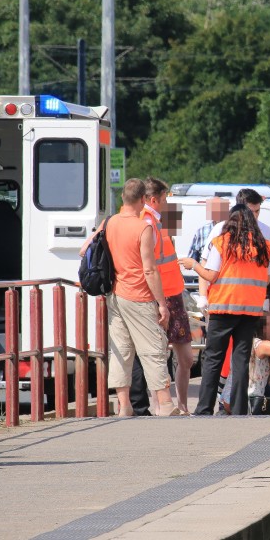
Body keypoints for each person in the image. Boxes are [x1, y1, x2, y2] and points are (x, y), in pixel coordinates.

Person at [82, 178, 178, 417]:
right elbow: (149, 269)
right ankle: (165, 404)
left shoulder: (110, 222)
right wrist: (162, 304)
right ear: (143, 199)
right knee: (154, 348)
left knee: (121, 350)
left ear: (123, 198)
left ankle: (124, 406)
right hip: (139, 295)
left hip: (114, 295)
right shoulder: (142, 227)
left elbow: (85, 249)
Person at [179, 204, 270, 416]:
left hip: (223, 307)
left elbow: (211, 275)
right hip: (250, 310)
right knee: (240, 360)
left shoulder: (221, 242)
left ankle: (204, 408)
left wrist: (193, 265)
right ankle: (239, 409)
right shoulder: (264, 246)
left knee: (213, 358)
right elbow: (266, 276)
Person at [124, 177, 194, 416]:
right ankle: (160, 405)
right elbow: (147, 266)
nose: (166, 203)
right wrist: (157, 301)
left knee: (185, 357)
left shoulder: (156, 222)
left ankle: (181, 405)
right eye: (164, 199)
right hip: (159, 297)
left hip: (173, 295)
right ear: (154, 199)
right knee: (157, 354)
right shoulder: (146, 223)